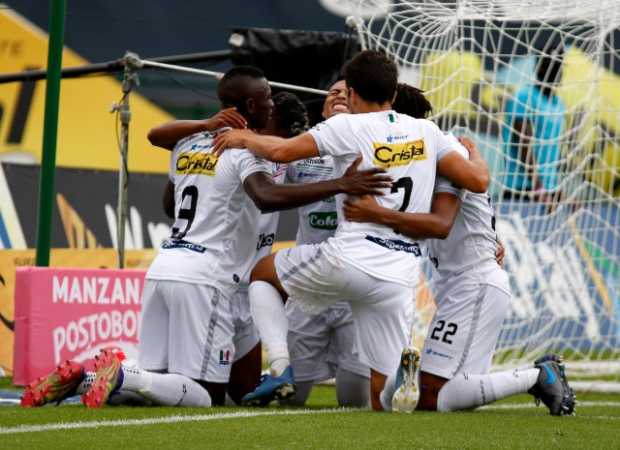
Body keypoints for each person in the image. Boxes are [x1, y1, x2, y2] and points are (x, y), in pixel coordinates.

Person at [20, 66, 391, 409]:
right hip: (212, 277)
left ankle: (86, 380)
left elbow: (170, 196)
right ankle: (123, 372)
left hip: (172, 266)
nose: (269, 103)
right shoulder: (243, 149)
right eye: (266, 99)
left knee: (218, 390)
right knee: (204, 396)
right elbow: (266, 197)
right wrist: (342, 182)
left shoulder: (189, 143)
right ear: (250, 106)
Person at [212, 50, 490, 410]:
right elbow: (477, 180)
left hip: (349, 257)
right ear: (394, 91)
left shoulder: (348, 126)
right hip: (399, 274)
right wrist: (476, 154)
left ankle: (281, 366)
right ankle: (396, 381)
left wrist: (242, 139)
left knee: (262, 274)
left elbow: (282, 152)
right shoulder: (428, 132)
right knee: (379, 395)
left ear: (353, 94)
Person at [344, 83, 575, 416]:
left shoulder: (447, 156)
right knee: (447, 394)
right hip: (461, 284)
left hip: (474, 283)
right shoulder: (424, 160)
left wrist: (373, 213)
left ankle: (539, 376)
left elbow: (441, 222)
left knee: (431, 399)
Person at [283, 78, 371, 408]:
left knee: (355, 401)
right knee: (293, 398)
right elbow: (268, 184)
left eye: (348, 93)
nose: (339, 95)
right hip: (311, 285)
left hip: (356, 287)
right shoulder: (301, 152)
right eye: (333, 93)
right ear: (322, 108)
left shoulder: (378, 148)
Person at [502, 46, 565, 201]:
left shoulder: (559, 104)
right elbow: (524, 144)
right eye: (548, 65)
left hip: (549, 190)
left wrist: (559, 191)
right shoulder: (524, 97)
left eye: (558, 65)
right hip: (523, 189)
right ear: (539, 68)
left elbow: (553, 151)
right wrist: (539, 188)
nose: (555, 70)